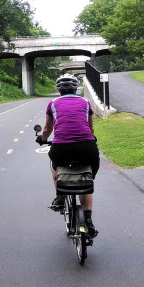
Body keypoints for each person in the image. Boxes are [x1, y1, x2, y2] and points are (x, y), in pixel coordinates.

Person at [41, 73, 100, 236]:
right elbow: (91, 128)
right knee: (88, 176)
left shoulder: (52, 104)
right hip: (86, 147)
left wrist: (42, 139)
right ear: (75, 88)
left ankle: (60, 197)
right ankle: (88, 221)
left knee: (55, 165)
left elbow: (47, 129)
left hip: (62, 148)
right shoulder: (85, 102)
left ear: (58, 89)